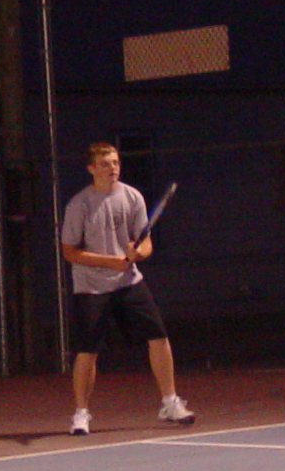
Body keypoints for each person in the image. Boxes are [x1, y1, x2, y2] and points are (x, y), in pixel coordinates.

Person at [59, 142, 192, 435]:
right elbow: (69, 251)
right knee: (87, 350)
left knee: (158, 336)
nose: (112, 168)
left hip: (129, 282)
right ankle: (81, 413)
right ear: (92, 169)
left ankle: (170, 402)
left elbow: (146, 243)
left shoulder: (132, 197)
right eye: (105, 164)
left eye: (116, 163)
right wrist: (109, 261)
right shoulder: (79, 205)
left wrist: (138, 254)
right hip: (91, 287)